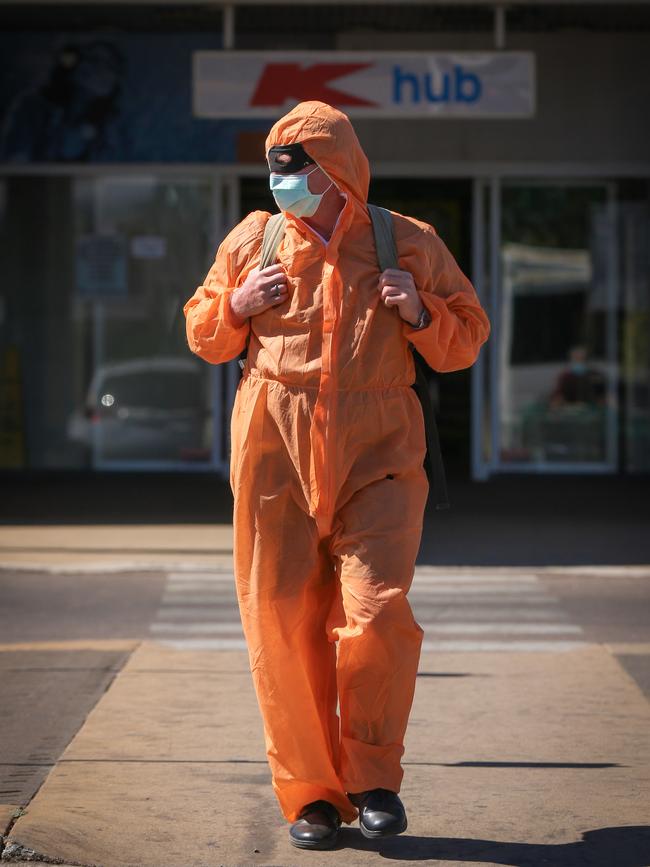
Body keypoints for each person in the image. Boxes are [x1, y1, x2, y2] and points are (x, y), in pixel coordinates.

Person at [184, 100, 491, 850]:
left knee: (379, 612)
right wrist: (236, 303)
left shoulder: (405, 240)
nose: (280, 183)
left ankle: (373, 776)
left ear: (335, 171)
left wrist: (420, 312)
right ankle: (311, 795)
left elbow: (467, 340)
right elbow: (203, 331)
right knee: (281, 628)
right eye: (274, 169)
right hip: (273, 453)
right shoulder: (255, 240)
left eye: (294, 170)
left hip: (378, 450)